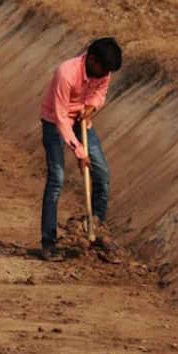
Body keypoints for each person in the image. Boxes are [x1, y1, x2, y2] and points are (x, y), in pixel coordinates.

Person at [40, 37, 122, 260]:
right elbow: (60, 117)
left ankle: (94, 230)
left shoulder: (103, 71)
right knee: (56, 179)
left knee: (102, 176)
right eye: (103, 69)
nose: (105, 74)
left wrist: (92, 107)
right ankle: (48, 242)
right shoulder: (66, 73)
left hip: (81, 121)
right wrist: (78, 150)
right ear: (91, 59)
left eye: (108, 71)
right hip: (55, 121)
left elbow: (100, 93)